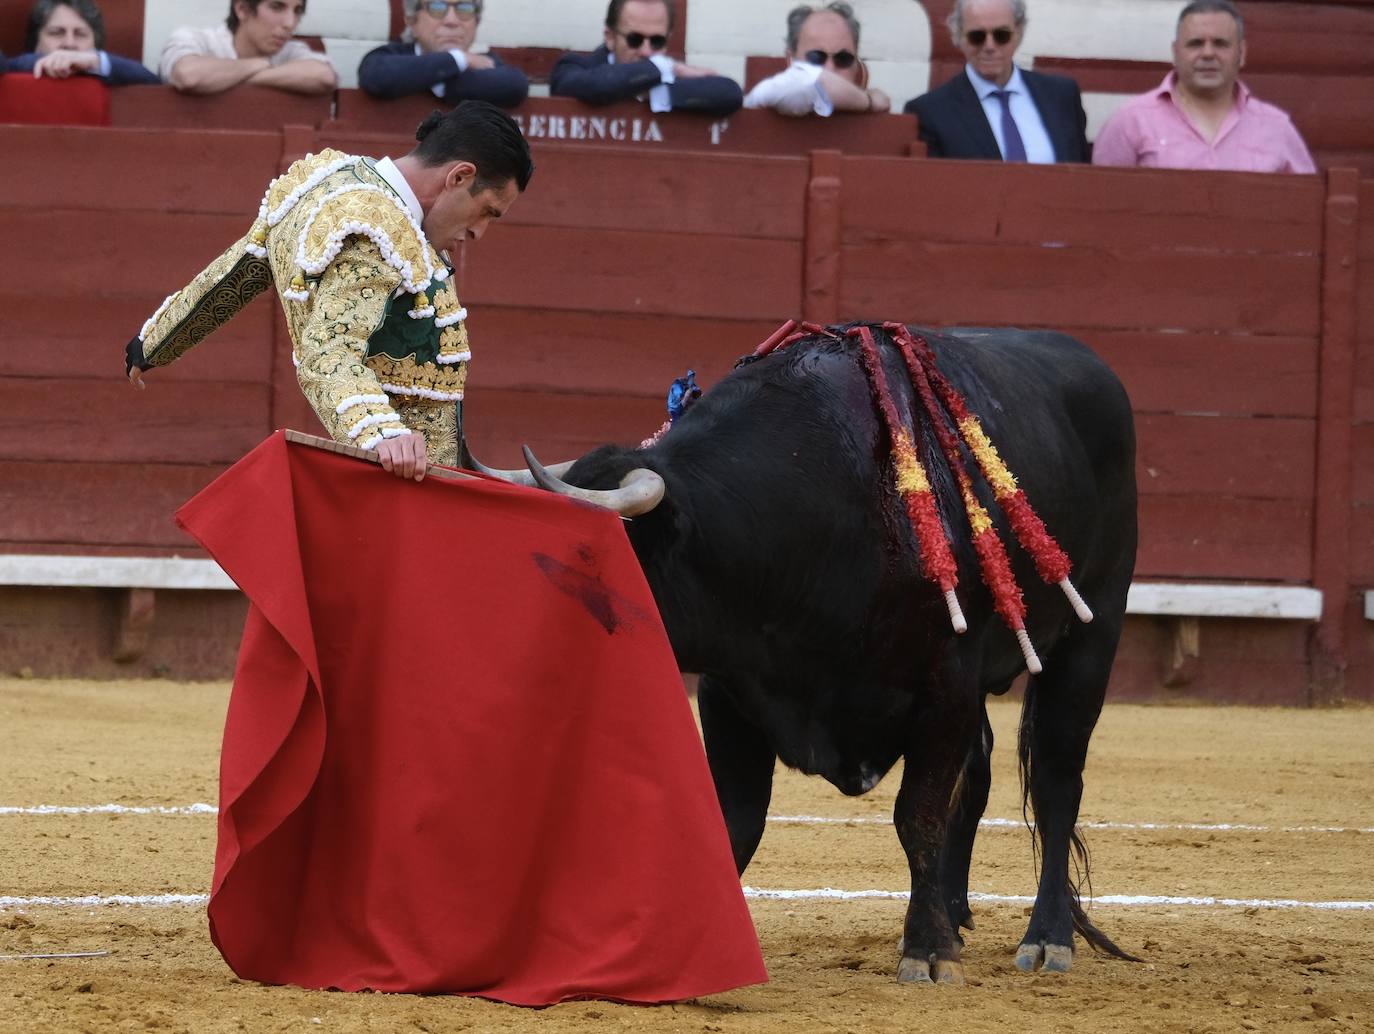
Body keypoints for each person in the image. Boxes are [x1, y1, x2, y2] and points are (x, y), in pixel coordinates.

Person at [125, 101, 533, 482]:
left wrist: (155, 341)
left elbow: (244, 266)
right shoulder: (375, 229)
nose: (480, 231)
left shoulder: (331, 178)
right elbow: (328, 352)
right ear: (459, 176)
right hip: (397, 477)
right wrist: (382, 434)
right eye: (488, 212)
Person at [1092, 0, 1314, 174]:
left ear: (1242, 53)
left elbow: (1307, 209)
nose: (1208, 53)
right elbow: (1099, 206)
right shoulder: (1131, 121)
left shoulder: (1276, 127)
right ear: (1176, 52)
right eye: (1195, 43)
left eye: (1220, 43)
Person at [903, 0, 1088, 162]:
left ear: (1019, 33)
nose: (989, 46)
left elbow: (1082, 176)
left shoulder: (1062, 96)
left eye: (1001, 35)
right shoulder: (931, 112)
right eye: (977, 37)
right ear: (958, 37)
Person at [550, 0, 742, 117]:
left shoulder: (671, 74)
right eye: (635, 39)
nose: (646, 52)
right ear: (610, 37)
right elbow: (578, 85)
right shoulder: (575, 67)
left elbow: (729, 93)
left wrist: (649, 91)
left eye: (657, 41)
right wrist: (662, 67)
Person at [357, 0, 527, 108]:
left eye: (465, 8)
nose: (452, 20)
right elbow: (377, 76)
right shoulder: (389, 58)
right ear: (411, 21)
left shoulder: (485, 63)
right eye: (437, 7)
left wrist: (431, 79)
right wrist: (459, 59)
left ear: (477, 22)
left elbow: (515, 85)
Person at [159, 0, 336, 96]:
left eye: (297, 11)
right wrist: (260, 64)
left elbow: (324, 77)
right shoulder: (196, 39)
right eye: (277, 7)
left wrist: (231, 76)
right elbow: (189, 76)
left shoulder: (291, 50)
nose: (290, 23)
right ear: (242, 9)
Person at [743, 2, 889, 117]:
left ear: (856, 65)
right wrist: (868, 101)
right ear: (791, 60)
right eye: (816, 57)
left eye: (843, 58)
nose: (830, 69)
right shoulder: (771, 90)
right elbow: (812, 85)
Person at [6, 0, 159, 85]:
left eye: (80, 34)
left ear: (95, 44)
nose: (69, 44)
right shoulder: (17, 67)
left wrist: (97, 62)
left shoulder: (106, 68)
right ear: (36, 42)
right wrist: (41, 62)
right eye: (56, 33)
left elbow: (154, 83)